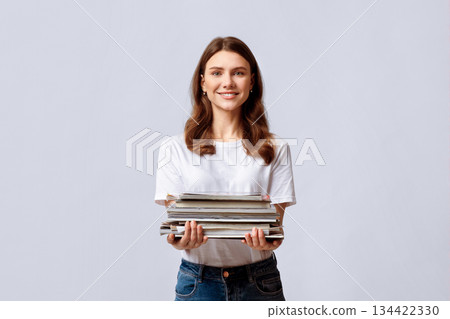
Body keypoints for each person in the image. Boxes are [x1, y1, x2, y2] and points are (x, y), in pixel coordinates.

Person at [154, 36, 296, 301]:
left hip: (259, 282)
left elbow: (275, 228)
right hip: (198, 283)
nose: (228, 82)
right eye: (217, 72)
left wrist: (270, 239)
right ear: (203, 83)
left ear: (251, 82)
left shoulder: (275, 148)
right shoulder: (173, 148)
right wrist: (180, 239)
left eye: (238, 73)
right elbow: (175, 228)